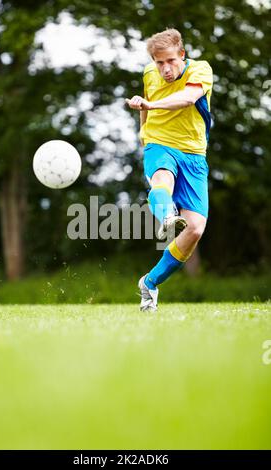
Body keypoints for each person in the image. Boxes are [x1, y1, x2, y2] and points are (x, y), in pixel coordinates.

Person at [125, 28, 213, 312]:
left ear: (182, 55)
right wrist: (143, 131)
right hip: (159, 145)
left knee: (196, 229)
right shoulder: (149, 73)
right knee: (162, 179)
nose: (165, 68)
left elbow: (187, 99)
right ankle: (167, 216)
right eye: (159, 62)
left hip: (194, 155)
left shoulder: (200, 70)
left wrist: (148, 103)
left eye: (171, 61)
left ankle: (149, 282)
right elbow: (147, 105)